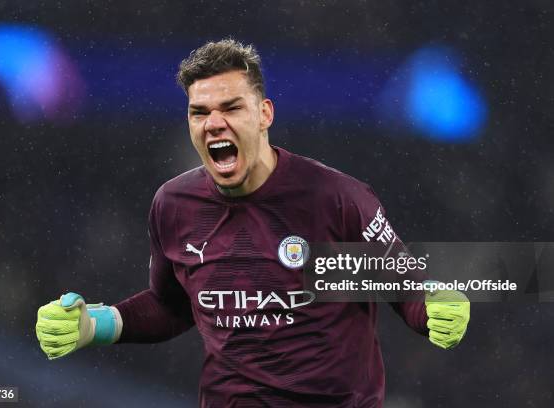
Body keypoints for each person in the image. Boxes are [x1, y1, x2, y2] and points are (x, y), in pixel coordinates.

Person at [36, 39, 470, 407]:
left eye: (231, 107)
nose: (214, 123)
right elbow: (171, 305)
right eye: (199, 112)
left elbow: (402, 284)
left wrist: (435, 309)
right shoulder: (173, 205)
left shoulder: (335, 199)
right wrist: (96, 325)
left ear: (264, 114)